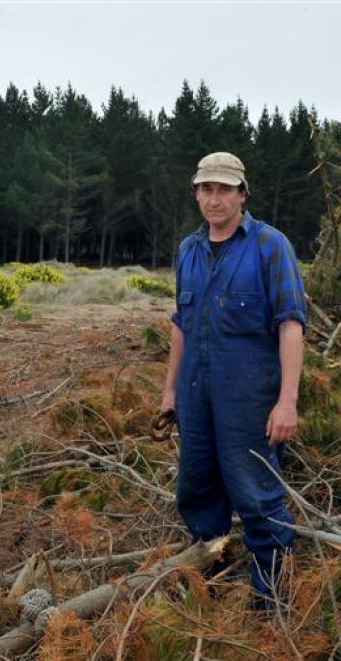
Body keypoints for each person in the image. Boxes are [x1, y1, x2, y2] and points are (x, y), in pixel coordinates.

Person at [161, 152, 306, 602]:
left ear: (243, 193)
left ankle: (272, 598)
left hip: (249, 398)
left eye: (224, 189)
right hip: (195, 395)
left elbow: (291, 325)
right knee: (197, 489)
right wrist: (169, 392)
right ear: (196, 193)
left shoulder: (269, 246)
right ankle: (213, 581)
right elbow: (181, 324)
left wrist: (287, 401)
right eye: (206, 188)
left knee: (257, 493)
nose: (214, 198)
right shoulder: (189, 249)